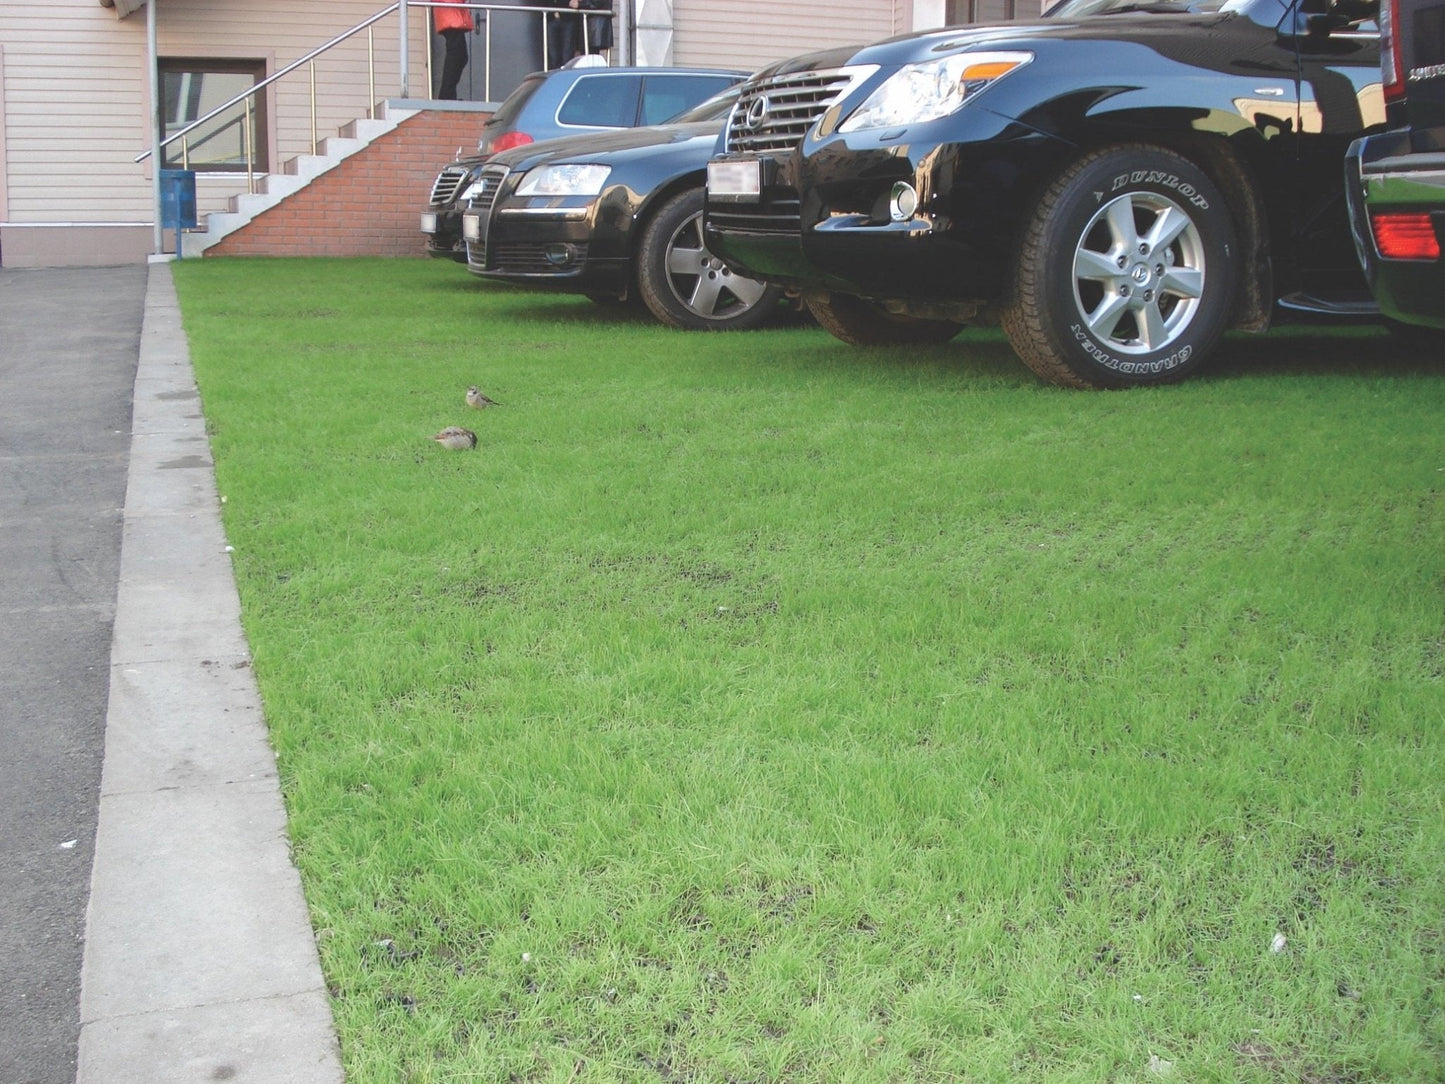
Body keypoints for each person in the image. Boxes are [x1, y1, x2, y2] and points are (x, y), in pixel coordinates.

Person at [434, 0, 474, 101]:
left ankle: (448, 95)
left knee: (460, 56)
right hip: (450, 13)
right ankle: (446, 96)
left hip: (451, 13)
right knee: (457, 55)